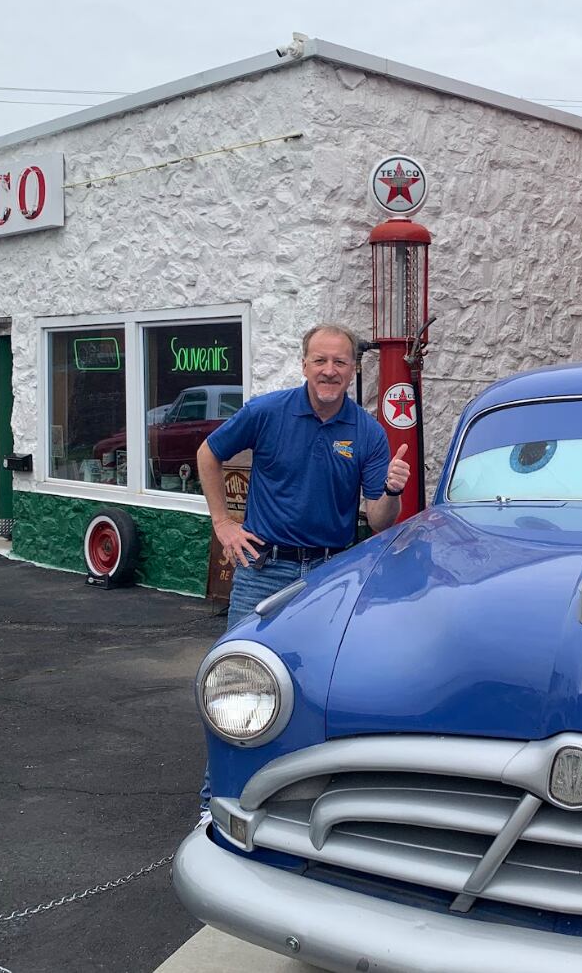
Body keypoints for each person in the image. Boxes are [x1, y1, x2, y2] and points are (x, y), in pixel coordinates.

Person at [195, 323, 410, 813]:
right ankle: (217, 803)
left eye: (339, 363)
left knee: (322, 685)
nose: (329, 371)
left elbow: (379, 520)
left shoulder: (367, 432)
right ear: (305, 363)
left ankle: (303, 795)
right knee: (238, 684)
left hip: (330, 578)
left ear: (354, 370)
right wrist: (223, 523)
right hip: (262, 570)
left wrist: (393, 490)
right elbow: (209, 453)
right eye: (320, 361)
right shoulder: (268, 412)